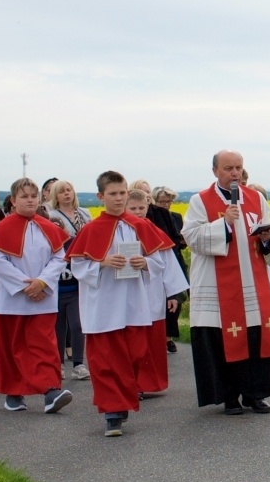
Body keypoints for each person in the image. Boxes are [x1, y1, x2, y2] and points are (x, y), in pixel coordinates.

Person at [68, 171, 173, 437]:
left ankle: (123, 401)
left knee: (135, 355)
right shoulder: (91, 229)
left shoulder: (140, 226)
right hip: (103, 305)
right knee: (104, 360)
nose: (118, 198)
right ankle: (112, 412)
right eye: (112, 194)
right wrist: (101, 263)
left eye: (122, 193)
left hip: (133, 303)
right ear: (101, 196)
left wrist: (145, 263)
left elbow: (160, 262)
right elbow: (78, 264)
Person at [182, 150, 270, 416]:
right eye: (228, 168)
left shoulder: (256, 198)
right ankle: (229, 397)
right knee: (221, 340)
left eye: (238, 167)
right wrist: (223, 225)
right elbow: (191, 237)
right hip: (219, 287)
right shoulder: (199, 201)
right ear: (215, 171)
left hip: (253, 283)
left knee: (254, 339)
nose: (235, 173)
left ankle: (255, 394)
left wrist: (265, 238)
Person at [0, 178, 73, 413]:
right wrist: (26, 286)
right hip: (12, 300)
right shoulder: (2, 228)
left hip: (43, 299)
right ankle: (13, 393)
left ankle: (50, 390)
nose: (30, 200)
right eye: (24, 196)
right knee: (12, 348)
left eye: (34, 195)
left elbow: (59, 257)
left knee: (43, 346)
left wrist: (42, 282)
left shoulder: (49, 227)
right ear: (13, 201)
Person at [125, 187, 187, 396]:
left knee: (151, 340)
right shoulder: (120, 229)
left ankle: (149, 382)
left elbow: (169, 264)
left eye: (141, 207)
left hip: (153, 291)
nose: (138, 212)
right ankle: (133, 383)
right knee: (132, 340)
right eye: (132, 208)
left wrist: (174, 294)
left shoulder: (153, 229)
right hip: (128, 292)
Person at [44, 179, 91, 380]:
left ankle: (79, 363)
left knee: (78, 323)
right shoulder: (50, 215)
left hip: (80, 271)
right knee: (58, 326)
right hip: (59, 273)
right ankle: (59, 364)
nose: (66, 194)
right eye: (61, 191)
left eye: (69, 190)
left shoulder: (85, 213)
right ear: (55, 195)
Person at [148, 187, 187, 352]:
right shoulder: (153, 216)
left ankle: (169, 335)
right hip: (161, 259)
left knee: (177, 299)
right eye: (161, 201)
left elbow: (179, 237)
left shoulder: (176, 217)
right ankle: (163, 336)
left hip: (176, 258)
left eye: (168, 201)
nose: (165, 205)